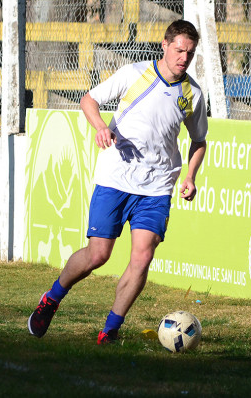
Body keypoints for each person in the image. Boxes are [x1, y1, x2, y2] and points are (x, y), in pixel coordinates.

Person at [28, 19, 208, 344]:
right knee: (98, 255)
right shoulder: (134, 74)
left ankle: (109, 331)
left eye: (190, 53)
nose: (184, 57)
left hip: (156, 188)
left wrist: (190, 177)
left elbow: (199, 141)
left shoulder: (192, 94)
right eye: (179, 50)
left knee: (142, 256)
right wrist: (100, 126)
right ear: (165, 46)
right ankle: (52, 298)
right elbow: (88, 100)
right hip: (116, 178)